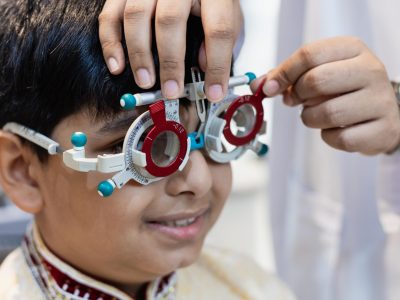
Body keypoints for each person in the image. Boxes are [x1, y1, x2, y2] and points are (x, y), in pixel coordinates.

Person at [0, 0, 295, 299]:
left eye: (212, 131)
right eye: (147, 143)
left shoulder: (252, 289)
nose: (199, 181)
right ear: (22, 171)